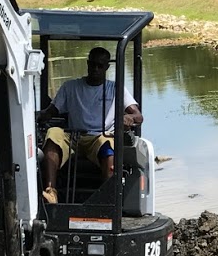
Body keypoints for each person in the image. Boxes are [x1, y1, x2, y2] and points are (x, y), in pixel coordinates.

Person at [38, 46, 143, 204]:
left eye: (100, 66)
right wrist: (38, 114)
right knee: (53, 133)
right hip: (74, 137)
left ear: (107, 67)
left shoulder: (115, 88)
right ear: (87, 64)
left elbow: (138, 116)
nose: (95, 69)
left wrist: (129, 117)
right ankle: (51, 191)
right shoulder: (70, 87)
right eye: (92, 64)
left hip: (100, 137)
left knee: (107, 143)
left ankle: (109, 199)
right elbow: (51, 111)